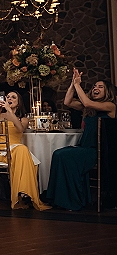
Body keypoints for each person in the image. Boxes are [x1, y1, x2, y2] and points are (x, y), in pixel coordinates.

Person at [46, 69, 116, 210]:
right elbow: (67, 102)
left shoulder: (111, 106)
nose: (95, 88)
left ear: (108, 92)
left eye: (100, 87)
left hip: (98, 152)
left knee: (64, 155)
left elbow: (88, 103)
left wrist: (78, 84)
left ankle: (72, 201)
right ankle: (58, 199)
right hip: (84, 148)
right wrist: (73, 83)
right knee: (58, 154)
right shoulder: (88, 108)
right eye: (94, 86)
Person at [0, 91, 50, 210]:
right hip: (0, 150)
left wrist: (9, 111)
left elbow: (19, 129)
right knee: (23, 150)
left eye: (13, 97)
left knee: (29, 157)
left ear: (18, 103)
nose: (9, 98)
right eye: (7, 96)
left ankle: (24, 192)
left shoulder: (23, 119)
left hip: (16, 148)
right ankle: (23, 192)